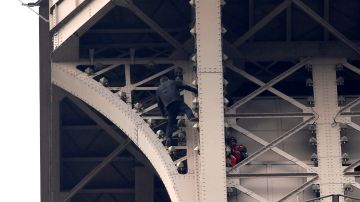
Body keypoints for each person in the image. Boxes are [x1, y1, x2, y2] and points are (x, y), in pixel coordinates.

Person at [156, 76, 198, 146]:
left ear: (161, 82)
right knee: (186, 109)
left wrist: (163, 113)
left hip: (169, 107)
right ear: (167, 79)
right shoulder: (172, 82)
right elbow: (184, 86)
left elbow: (159, 104)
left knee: (170, 124)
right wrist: (195, 90)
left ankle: (168, 137)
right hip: (177, 101)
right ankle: (191, 117)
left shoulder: (158, 90)